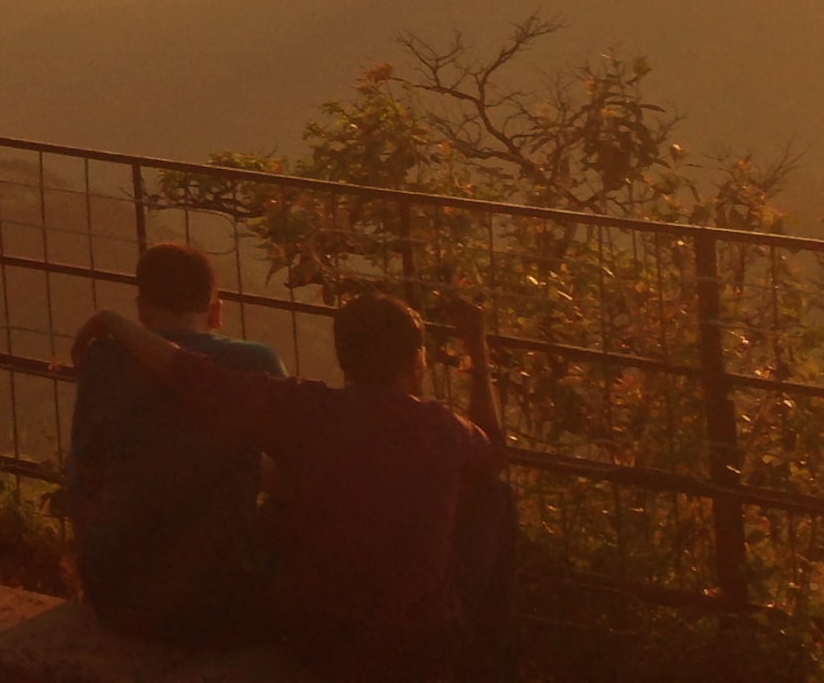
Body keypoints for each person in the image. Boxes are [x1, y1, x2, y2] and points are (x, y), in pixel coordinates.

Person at [75, 288, 518, 682]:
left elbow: (193, 376)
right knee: (494, 497)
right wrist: (477, 349)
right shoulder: (442, 429)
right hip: (416, 651)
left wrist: (116, 323)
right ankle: (486, 666)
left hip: (317, 639)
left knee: (293, 479)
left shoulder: (305, 412)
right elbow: (494, 453)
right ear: (415, 361)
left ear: (345, 356)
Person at [63, 241, 285, 645]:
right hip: (230, 600)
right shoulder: (257, 362)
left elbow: (88, 467)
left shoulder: (105, 359)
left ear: (142, 308)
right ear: (216, 313)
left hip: (118, 596)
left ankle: (101, 564)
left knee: (78, 462)